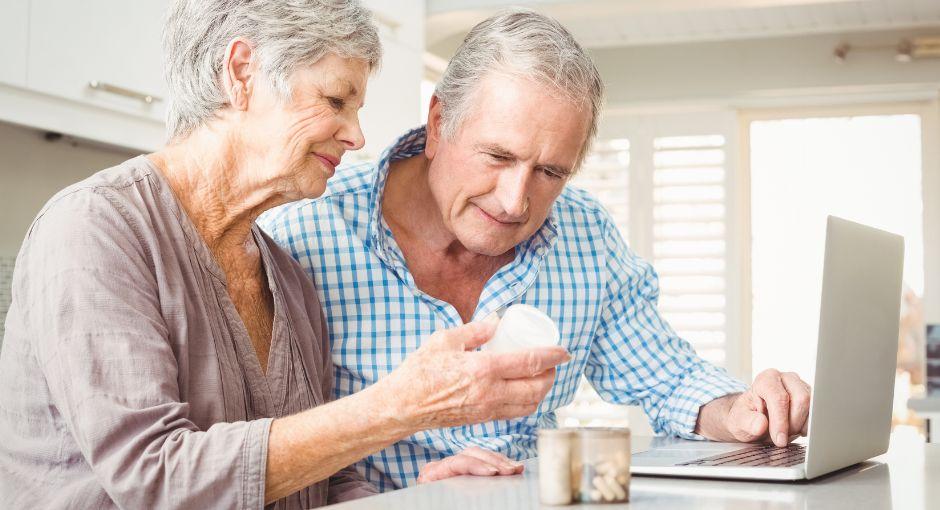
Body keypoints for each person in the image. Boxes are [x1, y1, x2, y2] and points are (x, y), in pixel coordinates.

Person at [0, 2, 571, 508]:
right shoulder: (95, 230)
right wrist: (400, 406)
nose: (357, 136)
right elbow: (157, 481)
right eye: (335, 100)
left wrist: (420, 494)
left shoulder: (287, 275)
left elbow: (322, 478)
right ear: (242, 73)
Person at [260, 8, 813, 491]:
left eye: (550, 171)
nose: (515, 201)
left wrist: (743, 412)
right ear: (437, 124)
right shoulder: (304, 232)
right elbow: (271, 451)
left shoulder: (584, 234)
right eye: (498, 156)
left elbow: (666, 379)